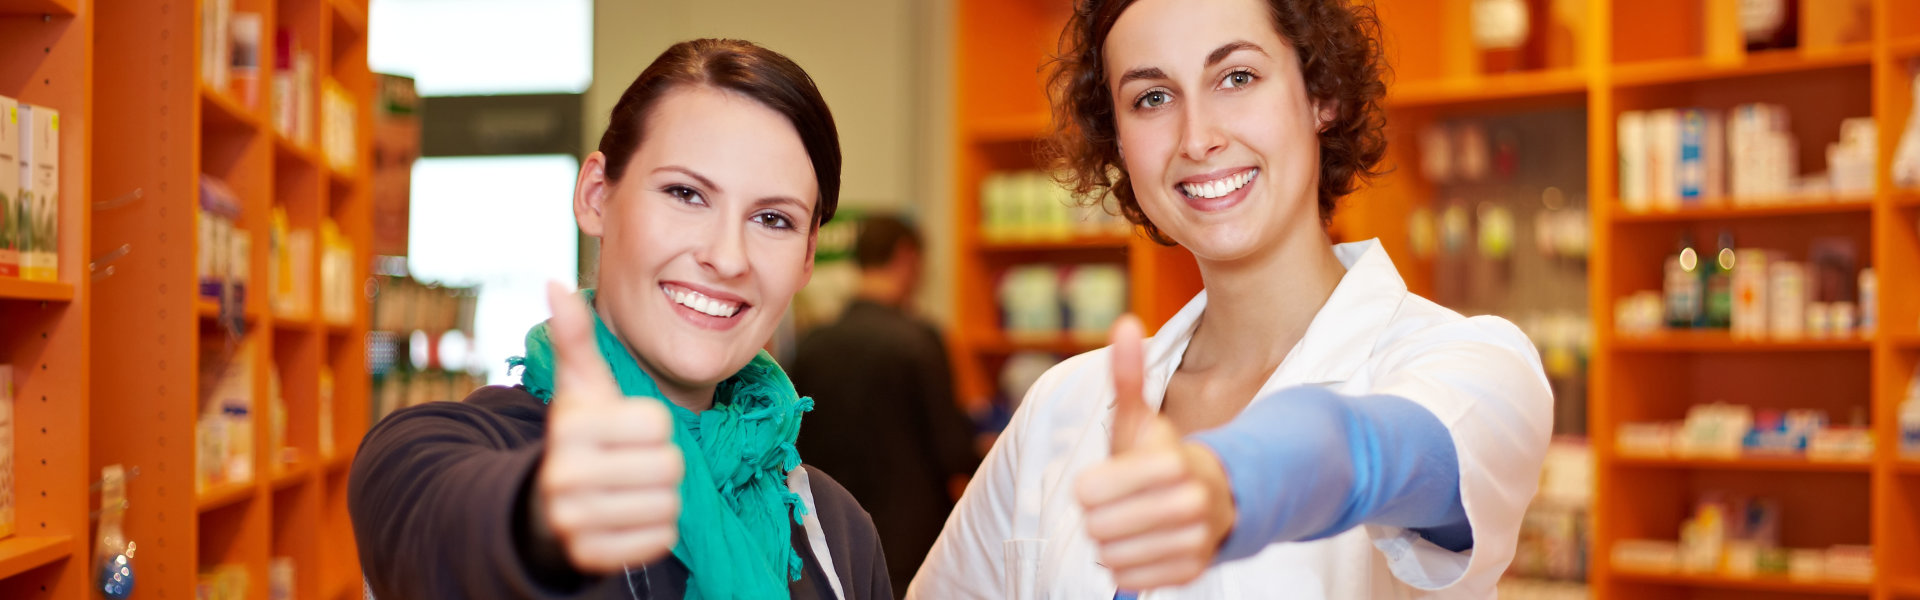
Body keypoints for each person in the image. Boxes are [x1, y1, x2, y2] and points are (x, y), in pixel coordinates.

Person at [909, 0, 1553, 598]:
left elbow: (1363, 451)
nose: (1197, 138)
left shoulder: (1474, 365)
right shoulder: (1059, 406)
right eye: (1152, 97)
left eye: (1237, 77)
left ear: (1321, 94)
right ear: (1120, 144)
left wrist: (1225, 482)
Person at [348, 39, 891, 599]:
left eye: (773, 219)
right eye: (686, 193)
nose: (727, 257)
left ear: (807, 257)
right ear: (595, 196)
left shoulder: (835, 529)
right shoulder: (445, 449)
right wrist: (540, 515)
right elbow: (433, 529)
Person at [788, 216, 981, 592]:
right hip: (907, 546)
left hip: (827, 537)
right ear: (907, 257)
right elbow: (952, 452)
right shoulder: (920, 341)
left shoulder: (812, 343)